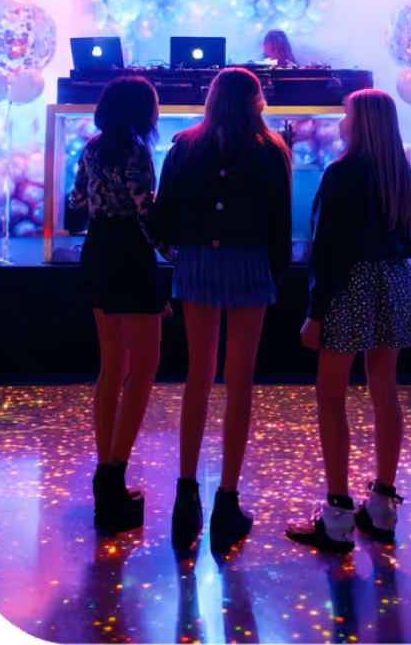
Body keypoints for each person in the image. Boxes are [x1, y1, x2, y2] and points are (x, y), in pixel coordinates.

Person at [149, 66, 293, 553]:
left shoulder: (185, 145)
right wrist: (275, 270)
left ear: (211, 99)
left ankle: (185, 496)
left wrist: (178, 251)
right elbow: (281, 223)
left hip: (196, 261)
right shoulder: (272, 150)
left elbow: (161, 213)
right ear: (255, 100)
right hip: (250, 260)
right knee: (239, 381)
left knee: (197, 376)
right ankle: (227, 500)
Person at [286, 89, 411, 553]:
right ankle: (383, 506)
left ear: (360, 121)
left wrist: (315, 312)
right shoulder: (400, 175)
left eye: (347, 113)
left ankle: (337, 514)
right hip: (393, 281)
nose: (341, 120)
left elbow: (326, 251)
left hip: (348, 285)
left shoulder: (341, 173)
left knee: (331, 396)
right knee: (385, 389)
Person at [65, 75, 169, 535]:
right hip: (130, 253)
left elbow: (77, 202)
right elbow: (147, 212)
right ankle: (113, 473)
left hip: (99, 250)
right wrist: (174, 253)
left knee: (112, 369)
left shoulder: (91, 148)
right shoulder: (136, 151)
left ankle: (104, 473)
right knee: (145, 368)